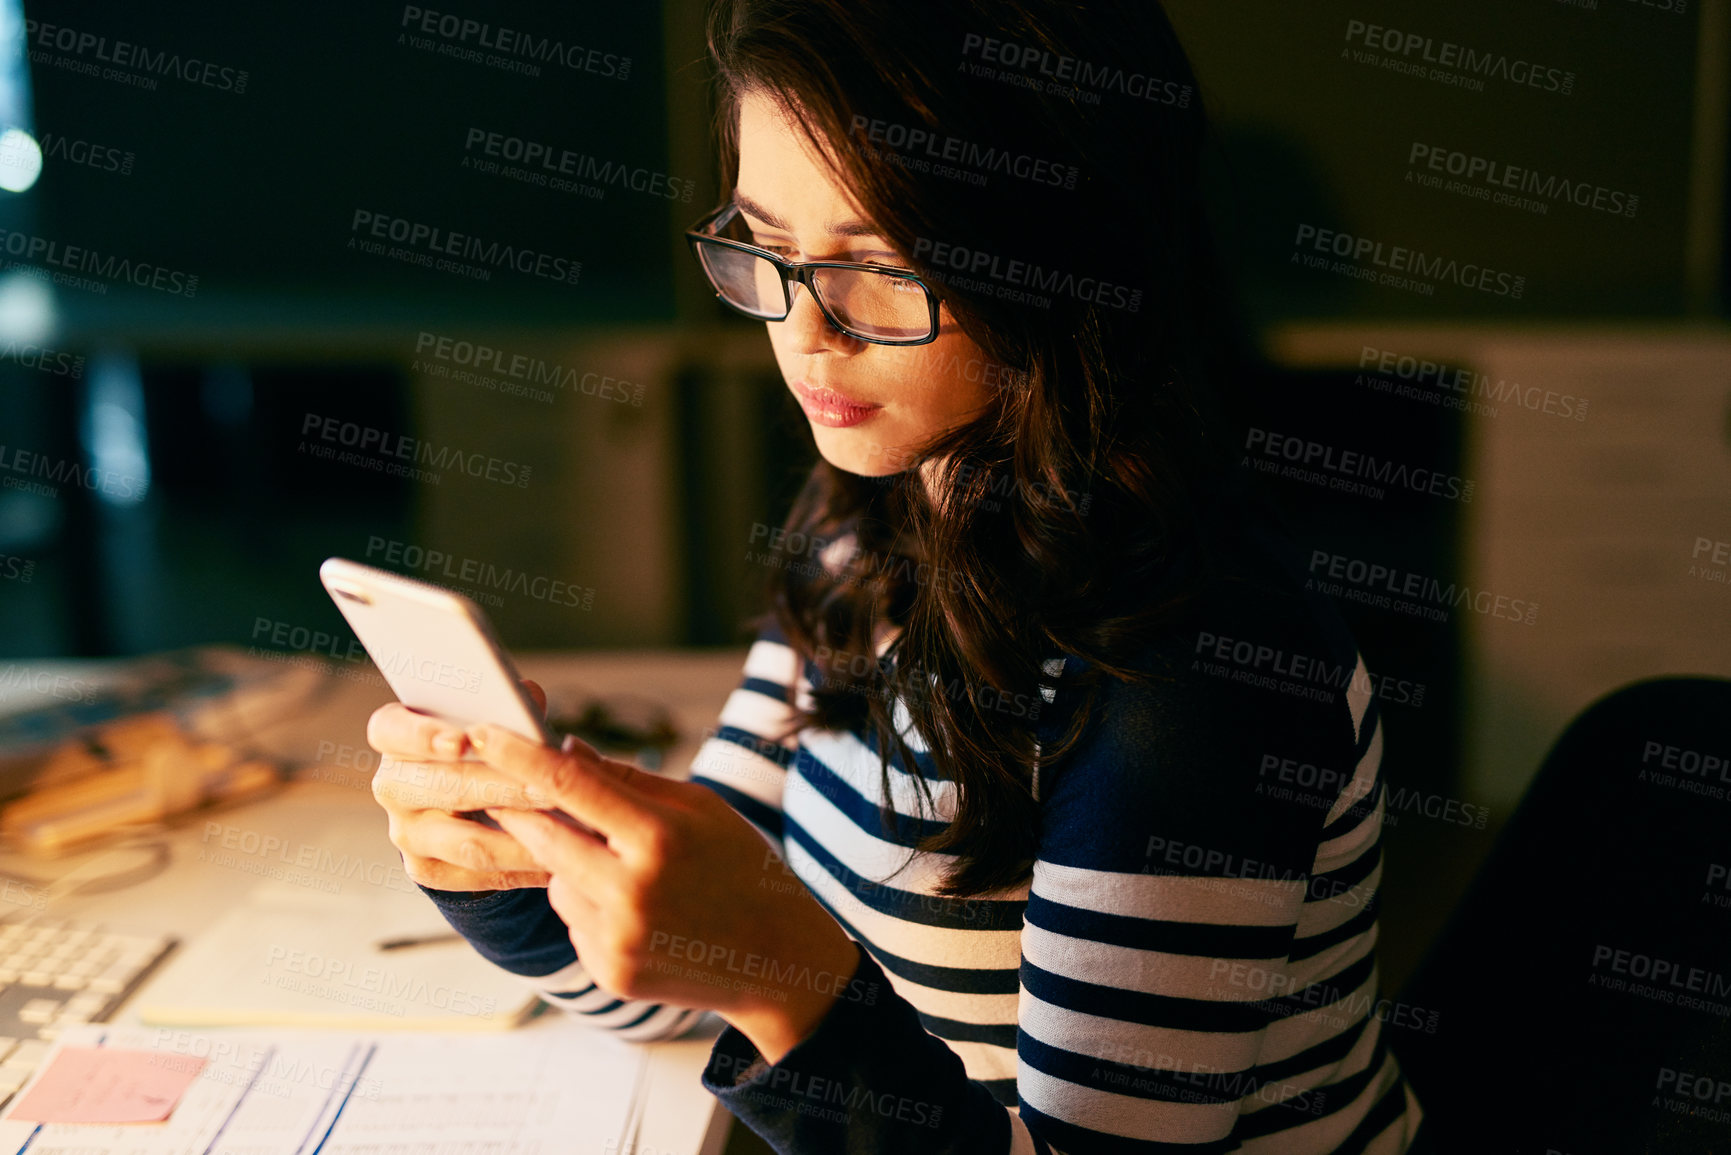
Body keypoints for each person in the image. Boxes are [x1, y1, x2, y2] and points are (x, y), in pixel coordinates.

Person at [367, 0, 1426, 1149]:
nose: (809, 332)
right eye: (768, 246)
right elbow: (682, 980)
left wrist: (789, 979)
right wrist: (510, 868)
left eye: (881, 267)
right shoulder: (869, 517)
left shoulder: (1188, 670)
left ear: (1062, 266)